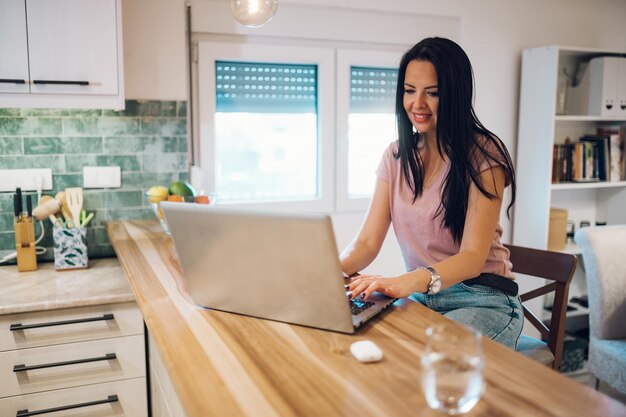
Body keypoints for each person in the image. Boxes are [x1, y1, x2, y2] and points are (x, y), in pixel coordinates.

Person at [341, 37, 523, 349]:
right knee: (371, 346)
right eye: (410, 91)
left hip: (483, 300)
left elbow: (471, 258)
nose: (417, 104)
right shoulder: (396, 156)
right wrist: (324, 272)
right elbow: (367, 242)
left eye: (433, 93)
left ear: (455, 94)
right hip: (424, 298)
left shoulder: (484, 154)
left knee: (423, 361)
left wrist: (402, 282)